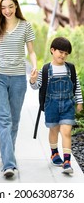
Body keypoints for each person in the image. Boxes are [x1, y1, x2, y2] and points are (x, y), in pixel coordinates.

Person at [0, 0, 37, 178]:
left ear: (16, 6)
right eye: (3, 7)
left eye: (10, 6)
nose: (7, 10)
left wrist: (34, 68)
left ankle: (7, 154)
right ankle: (9, 163)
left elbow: (31, 51)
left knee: (14, 120)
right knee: (4, 120)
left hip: (17, 78)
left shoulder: (26, 26)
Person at [30, 36, 83, 174]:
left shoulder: (70, 68)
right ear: (52, 50)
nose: (63, 55)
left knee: (66, 132)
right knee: (54, 130)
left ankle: (67, 161)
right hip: (51, 105)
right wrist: (33, 80)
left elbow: (76, 86)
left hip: (67, 105)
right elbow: (37, 87)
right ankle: (54, 153)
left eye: (66, 53)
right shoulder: (46, 69)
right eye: (61, 52)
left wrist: (79, 102)